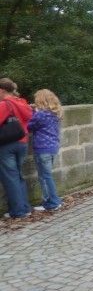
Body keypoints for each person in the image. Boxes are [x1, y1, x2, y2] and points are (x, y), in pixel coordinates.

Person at [0, 78, 33, 219]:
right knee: (18, 176)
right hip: (22, 142)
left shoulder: (4, 104)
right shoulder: (22, 103)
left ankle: (18, 211)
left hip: (7, 144)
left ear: (2, 90)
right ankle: (25, 208)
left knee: (10, 178)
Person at [28, 89, 64, 212]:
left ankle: (52, 202)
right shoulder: (56, 113)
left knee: (45, 177)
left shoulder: (41, 115)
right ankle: (51, 200)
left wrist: (33, 111)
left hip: (42, 149)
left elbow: (29, 126)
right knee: (47, 176)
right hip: (53, 147)